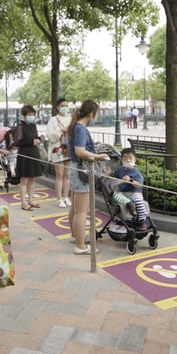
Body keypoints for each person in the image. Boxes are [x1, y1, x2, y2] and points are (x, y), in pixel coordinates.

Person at [67, 100, 110, 255]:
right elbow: (80, 151)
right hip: (81, 171)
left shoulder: (75, 126)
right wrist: (98, 156)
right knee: (81, 211)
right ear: (92, 114)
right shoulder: (81, 129)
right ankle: (80, 245)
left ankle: (76, 236)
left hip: (74, 169)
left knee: (75, 208)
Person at [111, 148, 150, 229]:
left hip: (134, 192)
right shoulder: (120, 169)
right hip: (122, 192)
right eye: (125, 158)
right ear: (121, 159)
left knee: (139, 201)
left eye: (130, 158)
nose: (128, 160)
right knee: (115, 195)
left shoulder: (136, 173)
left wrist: (130, 180)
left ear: (135, 159)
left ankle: (142, 220)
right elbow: (115, 175)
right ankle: (129, 203)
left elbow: (139, 185)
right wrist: (110, 173)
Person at [12, 105, 43, 210]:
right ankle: (23, 202)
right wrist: (31, 141)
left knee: (32, 178)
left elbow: (35, 137)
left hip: (34, 153)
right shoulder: (20, 127)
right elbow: (17, 142)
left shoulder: (33, 125)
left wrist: (39, 139)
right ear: (24, 116)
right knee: (24, 179)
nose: (32, 116)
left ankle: (30, 199)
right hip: (24, 154)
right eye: (29, 114)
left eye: (33, 114)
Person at [45, 98, 72, 207]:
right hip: (58, 150)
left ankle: (66, 196)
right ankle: (59, 198)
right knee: (59, 174)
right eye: (62, 105)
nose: (65, 108)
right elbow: (50, 136)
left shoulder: (71, 119)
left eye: (66, 105)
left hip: (69, 149)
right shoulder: (53, 120)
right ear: (57, 107)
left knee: (67, 174)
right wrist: (61, 130)